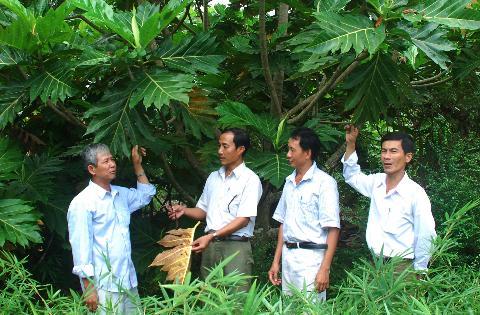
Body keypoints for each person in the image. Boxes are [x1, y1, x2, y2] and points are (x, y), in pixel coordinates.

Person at [167, 128, 262, 292]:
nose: (220, 151)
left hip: (235, 247)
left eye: (225, 146)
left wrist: (211, 236)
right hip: (210, 246)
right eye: (219, 146)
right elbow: (203, 211)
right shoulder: (213, 177)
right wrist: (185, 210)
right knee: (209, 300)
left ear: (240, 150)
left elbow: (243, 219)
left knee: (236, 302)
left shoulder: (250, 180)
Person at [67, 144, 156, 313]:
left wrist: (137, 164)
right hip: (103, 285)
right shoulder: (82, 203)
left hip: (128, 280)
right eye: (106, 161)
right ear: (92, 169)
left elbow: (146, 195)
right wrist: (88, 288)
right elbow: (81, 248)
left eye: (112, 159)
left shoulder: (120, 194)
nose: (112, 164)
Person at [341, 125, 436, 273]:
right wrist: (351, 144)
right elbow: (352, 176)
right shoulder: (376, 183)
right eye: (384, 151)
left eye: (393, 151)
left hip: (402, 268)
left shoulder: (415, 193)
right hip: (375, 264)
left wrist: (420, 271)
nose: (386, 156)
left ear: (408, 157)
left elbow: (425, 234)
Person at [268, 127, 340, 300]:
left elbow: (333, 228)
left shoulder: (325, 183)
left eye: (292, 150)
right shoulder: (289, 181)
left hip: (311, 260)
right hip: (288, 256)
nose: (288, 155)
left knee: (309, 310)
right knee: (288, 309)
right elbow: (283, 223)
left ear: (307, 153)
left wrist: (325, 269)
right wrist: (276, 261)